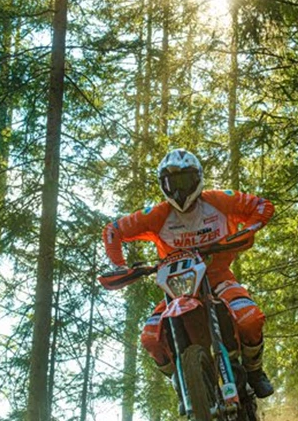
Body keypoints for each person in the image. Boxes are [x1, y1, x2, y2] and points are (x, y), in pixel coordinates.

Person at [102, 148, 275, 398]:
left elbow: (262, 205)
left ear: (198, 179)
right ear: (163, 184)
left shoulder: (219, 201)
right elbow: (113, 230)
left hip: (219, 277)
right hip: (178, 287)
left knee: (250, 319)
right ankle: (180, 378)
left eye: (185, 180)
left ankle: (255, 371)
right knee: (150, 338)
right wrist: (119, 265)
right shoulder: (158, 214)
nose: (179, 189)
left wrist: (247, 230)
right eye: (172, 182)